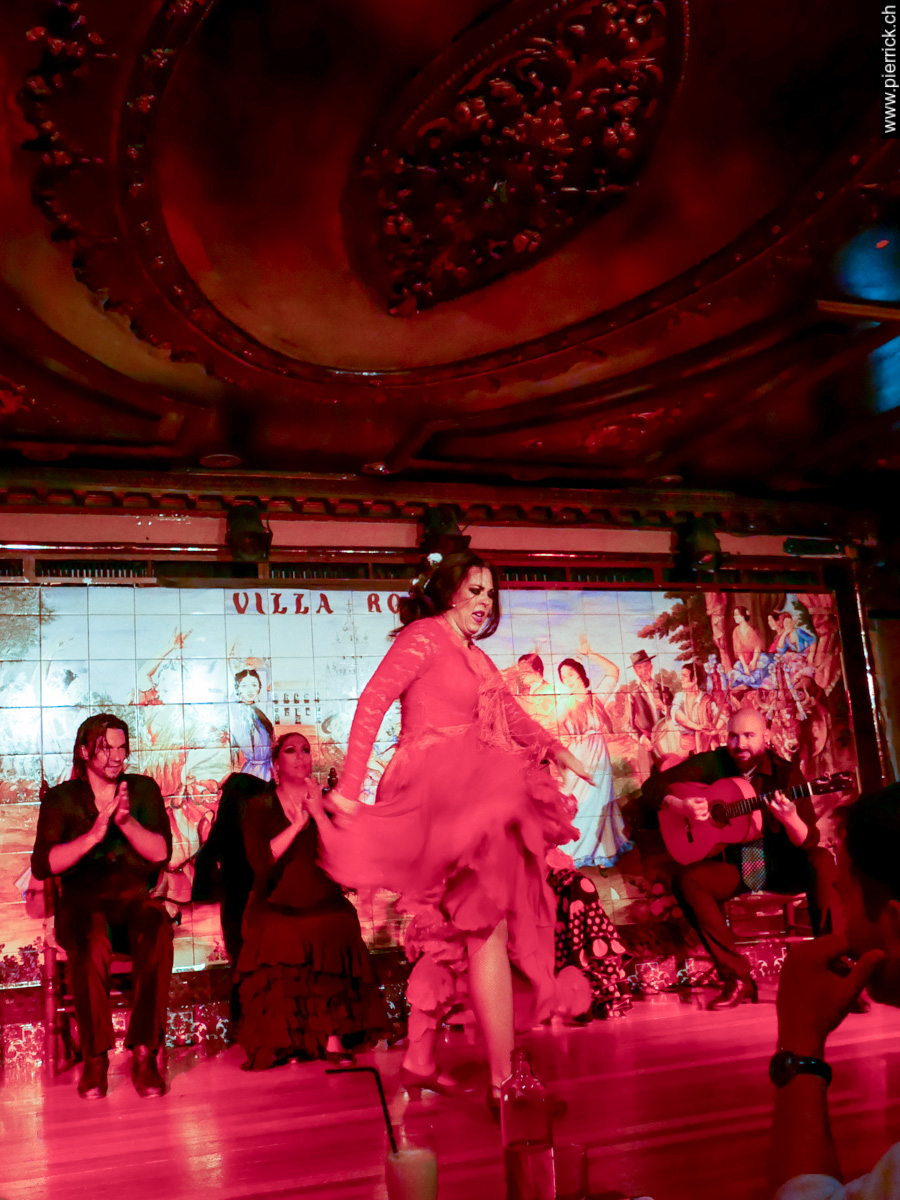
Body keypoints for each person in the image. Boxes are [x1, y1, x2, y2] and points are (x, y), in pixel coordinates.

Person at [322, 551, 592, 1110]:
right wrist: (349, 787)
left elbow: (511, 716)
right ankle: (504, 1084)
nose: (484, 602)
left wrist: (557, 749)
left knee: (457, 929)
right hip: (435, 787)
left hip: (468, 789)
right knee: (485, 922)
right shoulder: (424, 636)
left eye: (490, 594)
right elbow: (374, 700)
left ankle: (421, 1060)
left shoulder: (477, 657)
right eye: (474, 591)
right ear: (448, 593)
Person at [643, 706, 837, 1010]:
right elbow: (651, 787)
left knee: (821, 859)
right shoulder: (713, 762)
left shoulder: (786, 774)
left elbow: (807, 839)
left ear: (766, 737)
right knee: (687, 881)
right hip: (734, 865)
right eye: (733, 736)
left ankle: (836, 972)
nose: (740, 744)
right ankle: (738, 978)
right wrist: (678, 805)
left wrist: (790, 820)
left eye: (749, 736)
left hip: (780, 863)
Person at [30, 714, 173, 1099]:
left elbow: (161, 852)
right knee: (91, 936)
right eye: (106, 748)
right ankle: (95, 1057)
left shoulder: (142, 790)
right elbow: (44, 865)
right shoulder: (61, 799)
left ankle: (144, 1053)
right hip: (82, 907)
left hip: (133, 903)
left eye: (122, 747)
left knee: (157, 926)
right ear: (84, 751)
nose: (116, 756)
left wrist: (126, 823)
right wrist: (93, 836)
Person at [768, 784, 900, 1198]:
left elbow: (808, 840)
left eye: (845, 900)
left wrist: (799, 1040)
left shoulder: (782, 776)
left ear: (895, 924)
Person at [234, 732, 390, 1070]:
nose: (301, 756)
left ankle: (333, 1037)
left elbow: (345, 859)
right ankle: (287, 1040)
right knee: (280, 932)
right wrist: (297, 826)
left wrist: (318, 815)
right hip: (276, 903)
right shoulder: (258, 806)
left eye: (306, 750)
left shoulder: (329, 803)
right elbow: (261, 863)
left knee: (335, 924)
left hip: (323, 901)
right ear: (276, 764)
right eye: (291, 751)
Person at [191, 772, 268, 1025]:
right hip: (253, 900)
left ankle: (243, 1020)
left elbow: (205, 861)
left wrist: (205, 893)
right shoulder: (256, 819)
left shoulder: (227, 824)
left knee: (242, 961)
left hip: (238, 901)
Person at [556, 638, 632, 867]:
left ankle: (599, 851)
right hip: (577, 756)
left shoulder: (596, 698)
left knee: (599, 802)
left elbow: (613, 672)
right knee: (579, 802)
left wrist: (590, 653)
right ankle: (573, 850)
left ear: (580, 673)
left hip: (599, 755)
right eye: (563, 677)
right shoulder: (564, 704)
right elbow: (553, 732)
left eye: (570, 673)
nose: (568, 679)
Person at [621, 648, 673, 768]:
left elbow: (677, 715)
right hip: (647, 746)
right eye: (639, 668)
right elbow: (627, 725)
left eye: (645, 666)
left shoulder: (664, 690)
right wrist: (642, 738)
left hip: (668, 743)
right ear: (635, 671)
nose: (643, 671)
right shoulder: (633, 695)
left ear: (651, 666)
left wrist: (664, 708)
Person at [231, 668, 274, 780]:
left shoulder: (257, 710)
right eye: (244, 685)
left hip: (268, 768)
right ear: (237, 689)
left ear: (259, 687)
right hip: (255, 771)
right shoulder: (237, 712)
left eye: (254, 685)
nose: (250, 690)